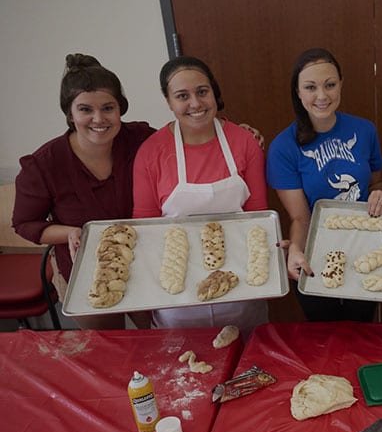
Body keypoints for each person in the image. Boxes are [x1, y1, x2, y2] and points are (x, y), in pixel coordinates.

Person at [12, 53, 154, 330]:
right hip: (85, 271)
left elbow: (187, 138)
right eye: (86, 109)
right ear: (70, 113)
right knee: (110, 348)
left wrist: (231, 130)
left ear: (120, 109)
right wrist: (71, 232)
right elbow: (25, 224)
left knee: (161, 338)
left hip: (145, 261)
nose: (98, 119)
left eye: (108, 108)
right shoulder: (45, 164)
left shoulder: (140, 139)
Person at [133, 55, 269, 330]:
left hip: (241, 286)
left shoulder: (244, 142)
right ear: (169, 102)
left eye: (202, 92)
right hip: (177, 291)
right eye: (182, 96)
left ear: (214, 94)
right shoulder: (151, 152)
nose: (195, 103)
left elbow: (258, 218)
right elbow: (145, 228)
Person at [267, 48, 382, 322]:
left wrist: (381, 194)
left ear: (341, 85)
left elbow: (376, 183)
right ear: (298, 92)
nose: (322, 96)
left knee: (362, 329)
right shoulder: (283, 147)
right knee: (325, 336)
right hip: (315, 252)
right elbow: (300, 216)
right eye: (311, 87)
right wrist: (297, 251)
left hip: (364, 247)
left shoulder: (364, 130)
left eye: (330, 85)